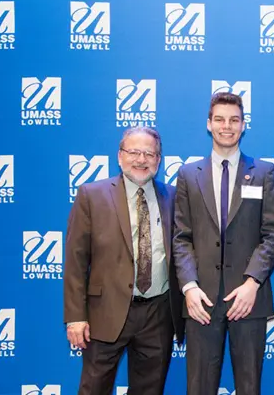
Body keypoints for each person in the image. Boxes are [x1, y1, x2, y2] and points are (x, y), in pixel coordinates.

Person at [173, 92, 274, 395]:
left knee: (249, 386)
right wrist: (189, 288)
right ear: (209, 124)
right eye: (219, 119)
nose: (227, 126)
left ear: (244, 125)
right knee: (199, 387)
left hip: (249, 299)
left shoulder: (263, 172)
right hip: (201, 302)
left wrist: (253, 283)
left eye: (234, 120)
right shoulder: (187, 174)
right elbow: (181, 237)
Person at [63, 126, 185, 395]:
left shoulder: (175, 197)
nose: (141, 160)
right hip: (104, 313)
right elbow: (75, 261)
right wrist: (75, 317)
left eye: (149, 154)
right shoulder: (91, 195)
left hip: (158, 313)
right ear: (120, 156)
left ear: (158, 160)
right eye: (134, 152)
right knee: (93, 389)